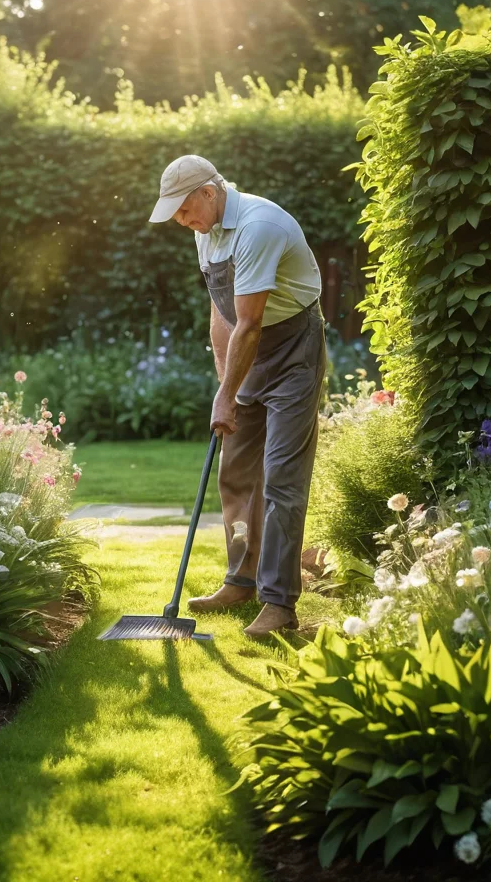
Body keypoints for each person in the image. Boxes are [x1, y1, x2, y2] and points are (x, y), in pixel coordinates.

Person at [149, 154, 326, 637]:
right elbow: (221, 311)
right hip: (248, 350)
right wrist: (224, 383)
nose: (183, 222)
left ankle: (279, 603)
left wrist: (227, 395)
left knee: (281, 480)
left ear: (209, 192)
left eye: (185, 210)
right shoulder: (206, 234)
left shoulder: (259, 226)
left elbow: (249, 323)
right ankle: (241, 580)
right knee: (236, 472)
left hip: (292, 348)